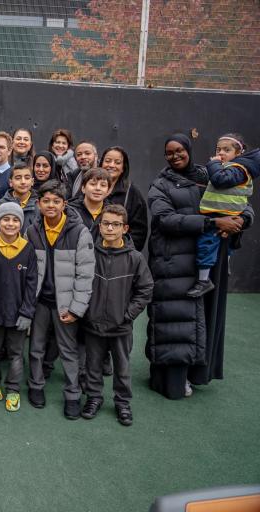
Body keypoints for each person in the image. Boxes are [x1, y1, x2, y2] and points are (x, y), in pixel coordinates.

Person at [147, 134, 253, 400]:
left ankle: (196, 375)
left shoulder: (211, 175)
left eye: (180, 150)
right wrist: (214, 224)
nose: (175, 156)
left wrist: (241, 219)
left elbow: (240, 202)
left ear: (189, 150)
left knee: (203, 318)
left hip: (208, 262)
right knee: (175, 323)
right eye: (169, 152)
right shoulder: (161, 184)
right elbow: (164, 220)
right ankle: (172, 380)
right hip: (174, 262)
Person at [25, 180, 94, 419]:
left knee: (68, 351)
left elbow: (86, 274)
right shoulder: (33, 230)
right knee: (36, 348)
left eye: (56, 201)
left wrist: (76, 309)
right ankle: (35, 386)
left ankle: (73, 394)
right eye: (46, 201)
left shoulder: (79, 231)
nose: (51, 205)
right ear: (39, 204)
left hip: (66, 306)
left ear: (64, 204)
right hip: (40, 303)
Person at [81, 205, 153, 426]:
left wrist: (128, 314)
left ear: (125, 228)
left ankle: (122, 403)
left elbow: (145, 289)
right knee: (92, 366)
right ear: (99, 226)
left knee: (122, 367)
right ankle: (94, 398)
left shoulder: (135, 258)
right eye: (105, 223)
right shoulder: (89, 253)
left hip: (121, 327)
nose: (110, 228)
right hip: (93, 324)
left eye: (116, 224)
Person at [189, 135, 259, 297]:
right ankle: (223, 265)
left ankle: (203, 280)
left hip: (225, 215)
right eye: (218, 149)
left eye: (226, 150)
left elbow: (220, 180)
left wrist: (213, 163)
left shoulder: (237, 168)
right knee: (220, 246)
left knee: (205, 245)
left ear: (239, 153)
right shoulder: (228, 167)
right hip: (222, 214)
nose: (220, 153)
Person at [0, 202, 37, 412]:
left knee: (16, 354)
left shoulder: (28, 249)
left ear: (21, 224)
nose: (10, 223)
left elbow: (32, 284)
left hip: (18, 315)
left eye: (15, 220)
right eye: (6, 219)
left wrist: (27, 312)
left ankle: (13, 389)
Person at [100, 146, 148, 251]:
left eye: (117, 162)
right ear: (101, 164)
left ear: (123, 168)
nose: (111, 165)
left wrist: (124, 251)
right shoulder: (92, 188)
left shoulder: (132, 193)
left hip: (120, 255)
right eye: (107, 161)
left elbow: (139, 232)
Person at [67, 167, 112, 236]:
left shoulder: (113, 213)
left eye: (103, 185)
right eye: (93, 184)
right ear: (83, 188)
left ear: (108, 191)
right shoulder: (69, 210)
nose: (98, 188)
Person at [1, 163, 39, 234]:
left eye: (27, 178)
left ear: (32, 181)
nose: (23, 182)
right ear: (10, 182)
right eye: (18, 178)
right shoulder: (0, 205)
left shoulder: (40, 205)